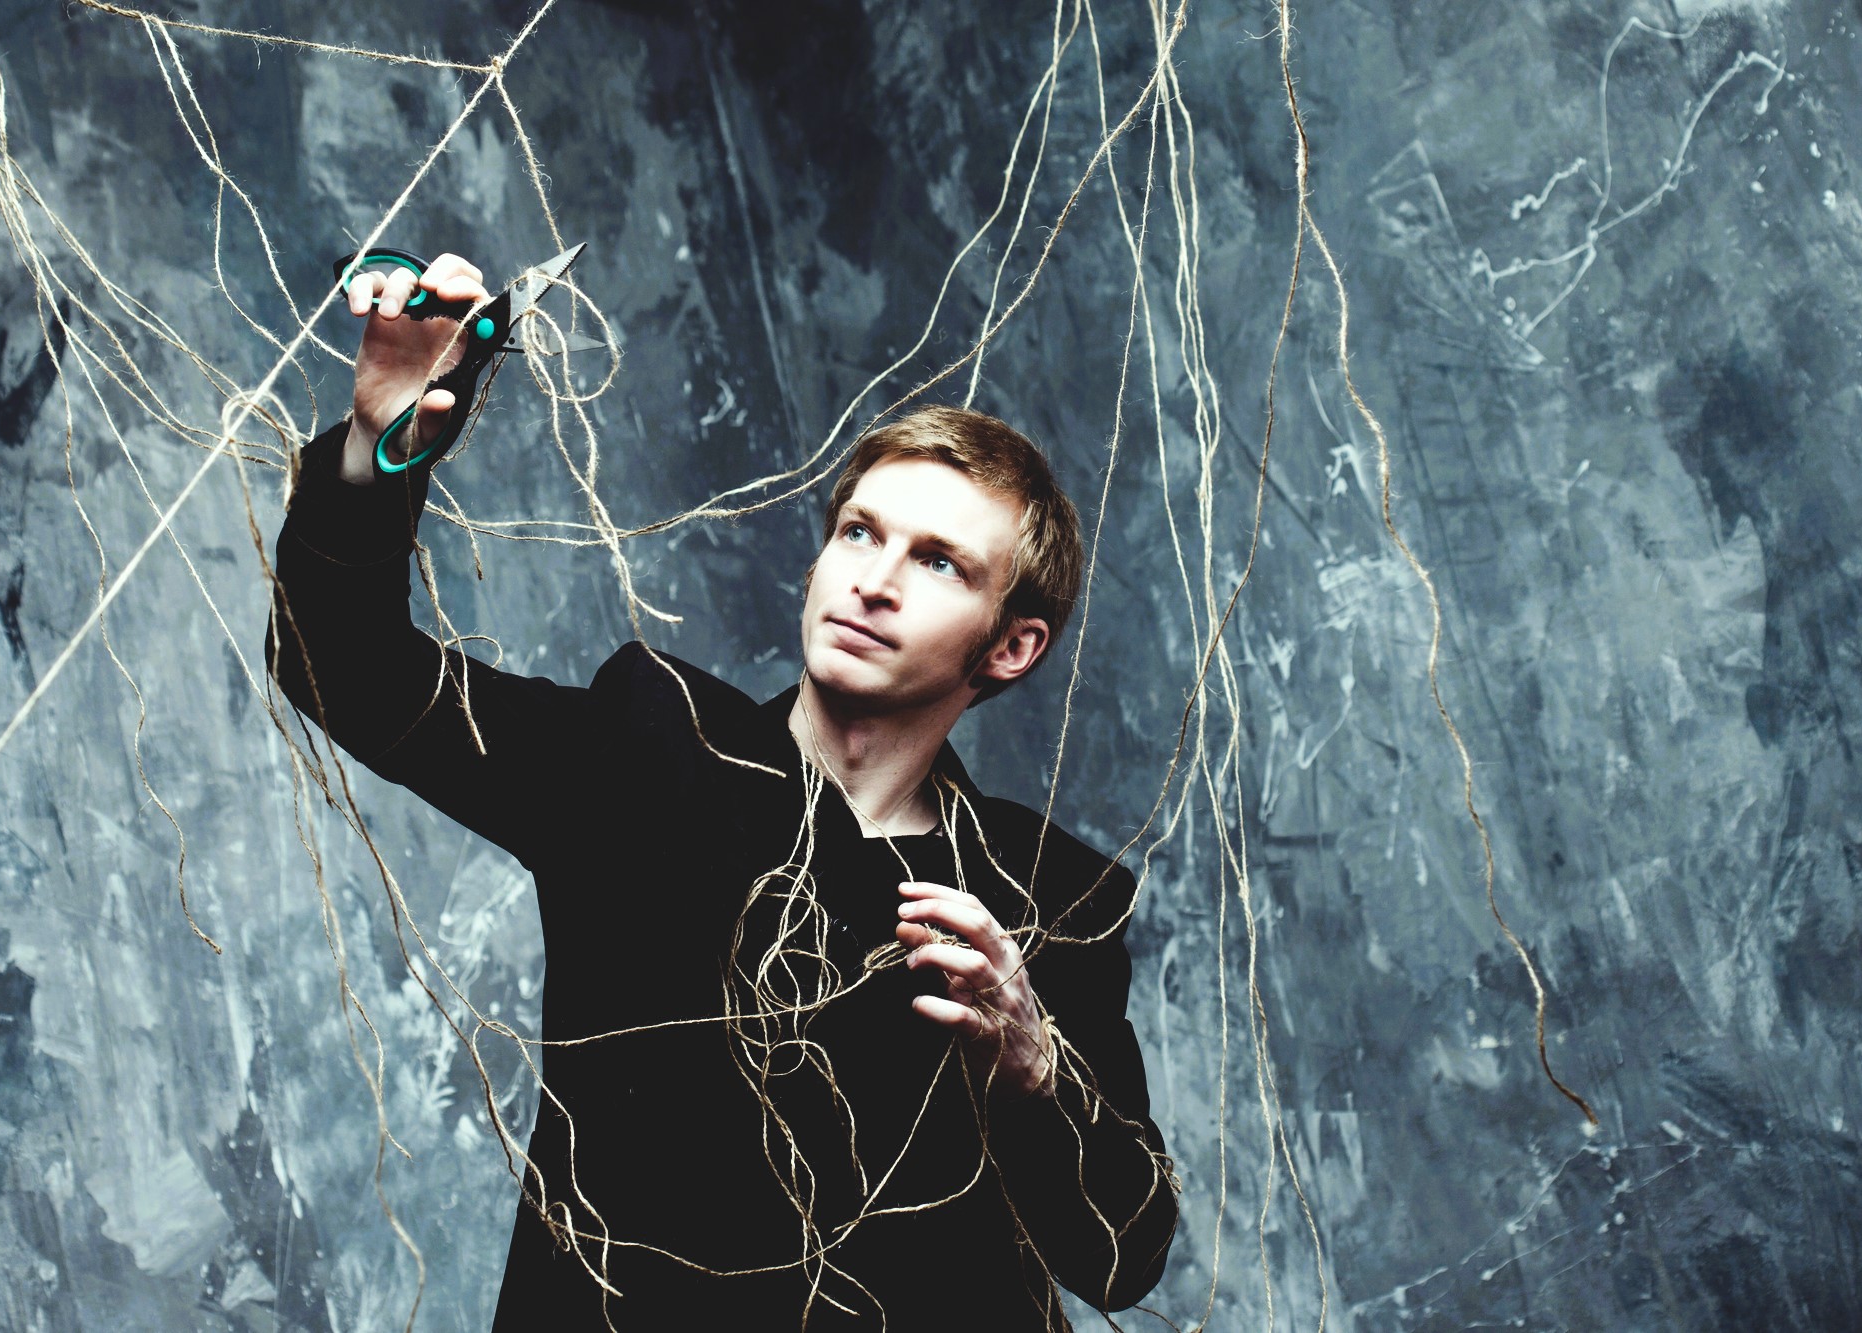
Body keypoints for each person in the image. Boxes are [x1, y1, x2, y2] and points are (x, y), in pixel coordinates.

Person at [269, 253, 1179, 1329]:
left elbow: (1121, 1258)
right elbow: (344, 667)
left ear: (1012, 644)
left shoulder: (1048, 900)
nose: (873, 580)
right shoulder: (645, 751)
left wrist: (1033, 1061)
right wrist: (377, 458)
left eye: (938, 564)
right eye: (858, 533)